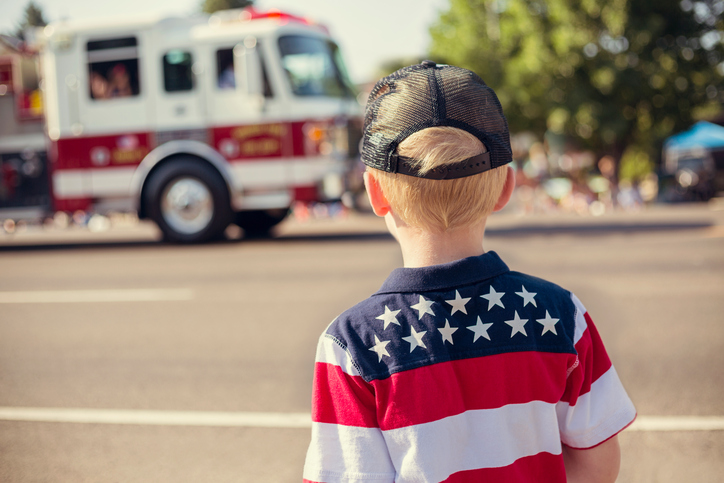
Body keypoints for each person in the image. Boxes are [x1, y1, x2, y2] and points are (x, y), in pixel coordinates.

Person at [303, 61, 636, 483]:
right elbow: (598, 463)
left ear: (375, 192)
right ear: (505, 188)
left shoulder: (352, 344)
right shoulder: (561, 314)